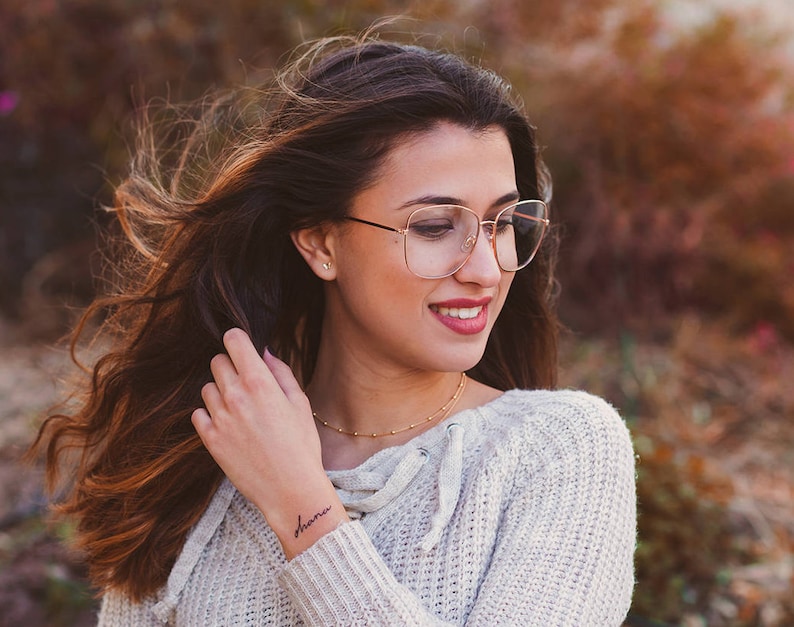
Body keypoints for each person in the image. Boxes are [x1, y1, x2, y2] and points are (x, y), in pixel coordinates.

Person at [35, 30, 636, 626]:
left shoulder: (559, 451)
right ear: (321, 242)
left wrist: (299, 501)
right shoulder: (209, 454)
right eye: (433, 226)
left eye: (502, 222)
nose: (485, 269)